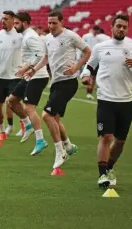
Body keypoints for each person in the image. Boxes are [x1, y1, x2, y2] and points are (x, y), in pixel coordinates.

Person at [80, 14, 132, 189]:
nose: (121, 29)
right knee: (106, 137)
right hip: (105, 99)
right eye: (118, 26)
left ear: (127, 29)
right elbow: (90, 65)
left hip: (125, 101)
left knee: (120, 141)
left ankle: (109, 167)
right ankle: (102, 174)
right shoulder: (101, 47)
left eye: (124, 27)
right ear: (111, 27)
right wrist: (85, 76)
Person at [26, 11, 91, 169]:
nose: (51, 26)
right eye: (49, 23)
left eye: (54, 23)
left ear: (61, 22)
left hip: (68, 83)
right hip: (56, 83)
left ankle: (60, 151)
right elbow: (46, 58)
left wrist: (76, 66)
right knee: (54, 118)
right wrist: (34, 69)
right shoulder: (47, 38)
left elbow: (88, 51)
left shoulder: (71, 36)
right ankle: (68, 145)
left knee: (47, 115)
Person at [8, 12, 49, 155]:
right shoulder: (26, 36)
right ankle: (28, 125)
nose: (14, 26)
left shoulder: (30, 36)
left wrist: (27, 67)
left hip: (38, 76)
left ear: (25, 23)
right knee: (11, 101)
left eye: (17, 23)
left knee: (29, 108)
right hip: (29, 76)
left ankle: (40, 140)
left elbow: (41, 55)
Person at [0, 11, 23, 147]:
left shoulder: (20, 36)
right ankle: (2, 131)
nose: (3, 21)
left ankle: (25, 124)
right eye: (2, 18)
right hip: (0, 76)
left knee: (12, 103)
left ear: (13, 21)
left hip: (14, 76)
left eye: (6, 19)